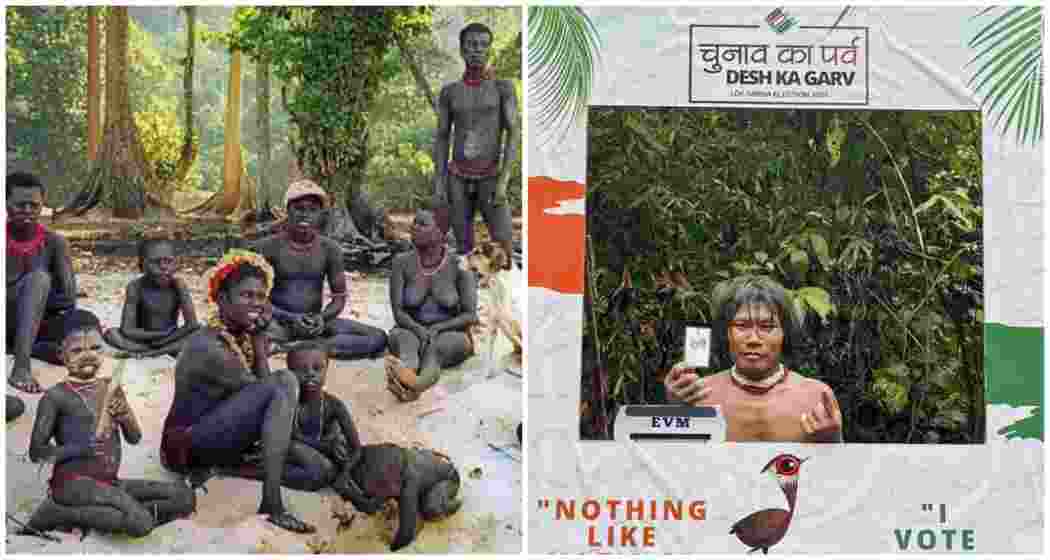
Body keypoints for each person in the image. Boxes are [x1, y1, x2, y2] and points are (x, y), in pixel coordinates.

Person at [160, 250, 315, 534]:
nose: (256, 304)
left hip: (219, 432)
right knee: (285, 381)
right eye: (246, 296)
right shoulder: (209, 346)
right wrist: (260, 345)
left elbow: (261, 400)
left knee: (318, 471)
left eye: (260, 297)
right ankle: (272, 504)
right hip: (187, 445)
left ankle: (226, 470)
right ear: (222, 299)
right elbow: (266, 393)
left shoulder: (237, 334)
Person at [25, 313, 195, 537]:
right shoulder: (56, 397)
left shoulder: (110, 387)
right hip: (73, 484)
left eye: (95, 348)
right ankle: (57, 512)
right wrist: (78, 449)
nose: (88, 356)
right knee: (141, 524)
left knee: (184, 498)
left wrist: (125, 417)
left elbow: (134, 438)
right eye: (77, 351)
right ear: (61, 355)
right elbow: (37, 453)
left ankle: (116, 513)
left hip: (108, 482)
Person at [664, 276, 844, 443]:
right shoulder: (698, 395)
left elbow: (841, 471)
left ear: (784, 334)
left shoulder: (816, 397)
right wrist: (676, 411)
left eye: (767, 326)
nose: (754, 339)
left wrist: (832, 440)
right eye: (742, 326)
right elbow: (675, 468)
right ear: (728, 333)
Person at [253, 180, 387, 359]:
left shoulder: (330, 249)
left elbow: (339, 298)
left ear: (321, 214)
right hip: (277, 322)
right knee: (253, 338)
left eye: (312, 210)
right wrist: (290, 318)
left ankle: (299, 347)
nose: (305, 215)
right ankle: (306, 346)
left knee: (377, 337)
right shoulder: (268, 247)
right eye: (299, 208)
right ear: (287, 211)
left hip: (314, 322)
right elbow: (257, 298)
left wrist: (322, 318)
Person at [228, 340, 365, 498]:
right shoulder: (286, 401)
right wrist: (325, 447)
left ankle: (254, 471)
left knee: (324, 472)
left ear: (327, 368)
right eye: (301, 370)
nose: (311, 374)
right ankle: (246, 472)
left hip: (306, 458)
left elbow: (356, 448)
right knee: (319, 469)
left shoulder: (334, 406)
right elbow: (289, 438)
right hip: (285, 451)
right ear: (290, 373)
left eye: (317, 368)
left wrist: (346, 472)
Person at [6, 171, 100, 393]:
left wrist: (34, 301)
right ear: (6, 204)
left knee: (87, 323)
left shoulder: (55, 243)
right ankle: (21, 366)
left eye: (34, 205)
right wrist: (27, 290)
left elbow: (68, 299)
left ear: (42, 205)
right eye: (20, 205)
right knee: (39, 278)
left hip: (39, 323)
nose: (28, 211)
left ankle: (23, 347)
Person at [433, 22, 517, 263]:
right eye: (471, 44)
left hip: (490, 176)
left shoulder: (503, 89)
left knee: (503, 245)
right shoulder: (450, 92)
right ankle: (469, 299)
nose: (477, 50)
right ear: (461, 50)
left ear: (489, 50)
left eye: (483, 45)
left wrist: (504, 179)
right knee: (463, 248)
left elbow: (513, 132)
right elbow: (441, 137)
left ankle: (505, 299)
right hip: (457, 177)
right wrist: (439, 183)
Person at [386, 209, 478, 402]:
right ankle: (406, 379)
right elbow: (398, 312)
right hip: (409, 328)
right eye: (414, 223)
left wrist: (438, 328)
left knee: (434, 351)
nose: (414, 228)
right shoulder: (401, 263)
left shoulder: (460, 265)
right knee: (406, 345)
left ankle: (417, 384)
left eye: (422, 224)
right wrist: (418, 329)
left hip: (450, 333)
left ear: (441, 232)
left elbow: (470, 315)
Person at [102, 239, 201, 357]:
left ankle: (150, 353)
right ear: (141, 266)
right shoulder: (135, 287)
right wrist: (160, 335)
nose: (163, 267)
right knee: (111, 334)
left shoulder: (178, 285)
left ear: (176, 264)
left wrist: (164, 339)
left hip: (171, 337)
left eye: (168, 261)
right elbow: (127, 330)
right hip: (143, 338)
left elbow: (192, 324)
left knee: (200, 332)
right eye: (155, 262)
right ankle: (163, 350)